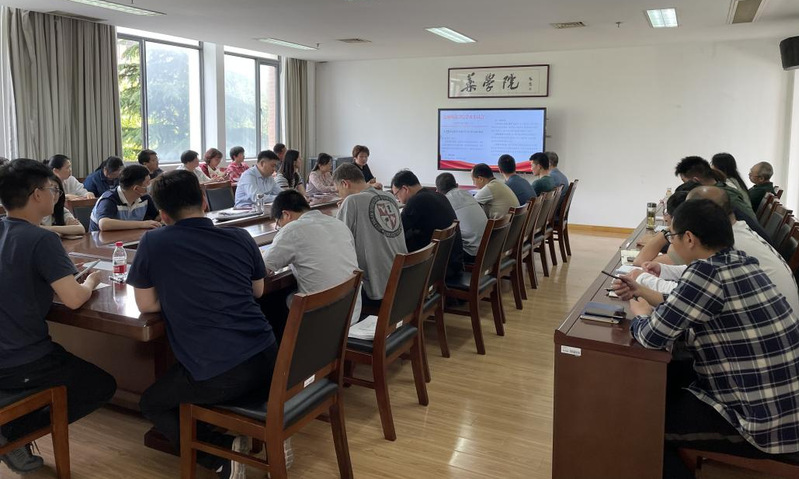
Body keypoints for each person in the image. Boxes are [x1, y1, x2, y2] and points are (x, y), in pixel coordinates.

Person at [614, 199, 799, 478]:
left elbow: (652, 336)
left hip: (763, 425)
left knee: (644, 424)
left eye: (672, 237)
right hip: (784, 408)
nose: (671, 244)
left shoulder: (707, 273)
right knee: (670, 383)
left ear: (689, 238)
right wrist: (642, 291)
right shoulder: (742, 262)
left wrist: (640, 312)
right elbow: (688, 305)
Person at [127, 170, 278, 479]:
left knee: (152, 403)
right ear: (205, 201)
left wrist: (180, 293)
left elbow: (146, 305)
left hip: (221, 374)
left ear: (163, 214)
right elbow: (258, 290)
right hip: (269, 359)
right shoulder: (239, 236)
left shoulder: (153, 241)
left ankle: (219, 455)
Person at [0, 159, 116, 474]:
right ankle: (13, 433)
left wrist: (58, 275)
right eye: (51, 189)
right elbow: (74, 300)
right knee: (100, 385)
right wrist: (91, 281)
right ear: (37, 195)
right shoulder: (42, 239)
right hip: (22, 361)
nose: (55, 195)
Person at [631, 186, 799, 314]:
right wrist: (664, 270)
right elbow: (702, 277)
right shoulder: (736, 231)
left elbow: (692, 293)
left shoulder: (729, 242)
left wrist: (644, 280)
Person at [264, 189, 362, 325]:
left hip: (324, 321)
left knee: (274, 300)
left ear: (286, 214)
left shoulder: (292, 229)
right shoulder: (338, 223)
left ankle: (292, 339)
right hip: (352, 312)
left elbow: (262, 268)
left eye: (278, 224)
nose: (279, 228)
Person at [333, 163, 406, 310]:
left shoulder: (352, 201)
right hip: (402, 283)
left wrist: (344, 209)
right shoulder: (389, 197)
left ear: (345, 183)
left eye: (338, 190)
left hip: (376, 289)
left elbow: (338, 243)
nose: (339, 195)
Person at [391, 169, 464, 281]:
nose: (398, 199)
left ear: (405, 189)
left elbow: (397, 230)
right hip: (453, 262)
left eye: (396, 195)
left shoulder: (417, 201)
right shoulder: (438, 195)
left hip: (437, 269)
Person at [674, 155, 756, 220]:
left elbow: (750, 222)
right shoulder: (720, 188)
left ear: (695, 180)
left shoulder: (724, 196)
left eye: (685, 182)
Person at [89, 165, 160, 232]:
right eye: (147, 182)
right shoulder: (109, 199)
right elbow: (104, 224)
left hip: (129, 237)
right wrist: (142, 224)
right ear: (136, 188)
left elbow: (157, 217)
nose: (150, 185)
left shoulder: (145, 198)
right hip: (100, 239)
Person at [436, 172, 487, 263]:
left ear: (438, 191)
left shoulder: (445, 201)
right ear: (456, 185)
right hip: (486, 249)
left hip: (471, 253)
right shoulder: (467, 194)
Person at [632, 191, 688, 267]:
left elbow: (640, 262)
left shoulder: (686, 248)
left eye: (666, 212)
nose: (665, 218)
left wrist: (667, 230)